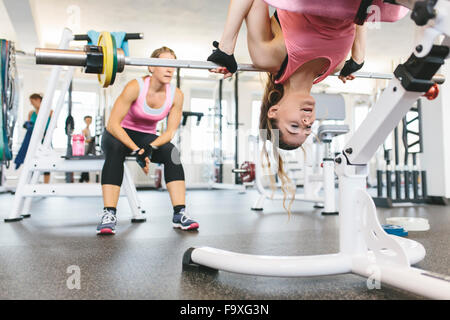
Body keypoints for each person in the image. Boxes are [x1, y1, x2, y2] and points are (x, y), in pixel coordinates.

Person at [206, 0, 407, 211]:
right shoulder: (335, 66)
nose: (306, 121)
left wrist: (226, 49)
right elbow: (357, 11)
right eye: (307, 128)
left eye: (294, 126)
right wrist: (358, 56)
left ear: (274, 111)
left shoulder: (269, 58)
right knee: (398, 12)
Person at [97, 46, 199, 235]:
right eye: (164, 64)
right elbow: (112, 124)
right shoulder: (136, 86)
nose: (170, 69)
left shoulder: (176, 95)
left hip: (147, 137)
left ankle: (180, 213)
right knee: (115, 149)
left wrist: (150, 148)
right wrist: (137, 150)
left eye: (173, 65)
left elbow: (169, 133)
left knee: (172, 153)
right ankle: (109, 214)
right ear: (151, 67)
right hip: (118, 133)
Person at [15, 94, 53, 183]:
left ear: (38, 100)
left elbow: (53, 126)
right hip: (33, 141)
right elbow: (29, 125)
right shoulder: (31, 113)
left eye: (32, 102)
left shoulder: (49, 112)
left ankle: (46, 186)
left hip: (45, 140)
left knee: (46, 163)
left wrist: (44, 133)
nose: (31, 104)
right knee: (32, 162)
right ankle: (32, 184)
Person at [79, 115, 95, 183]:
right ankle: (84, 180)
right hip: (85, 148)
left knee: (86, 164)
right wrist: (90, 140)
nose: (89, 122)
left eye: (90, 120)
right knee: (85, 164)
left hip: (89, 148)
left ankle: (83, 179)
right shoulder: (84, 130)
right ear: (85, 121)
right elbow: (81, 139)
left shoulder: (89, 129)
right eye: (87, 120)